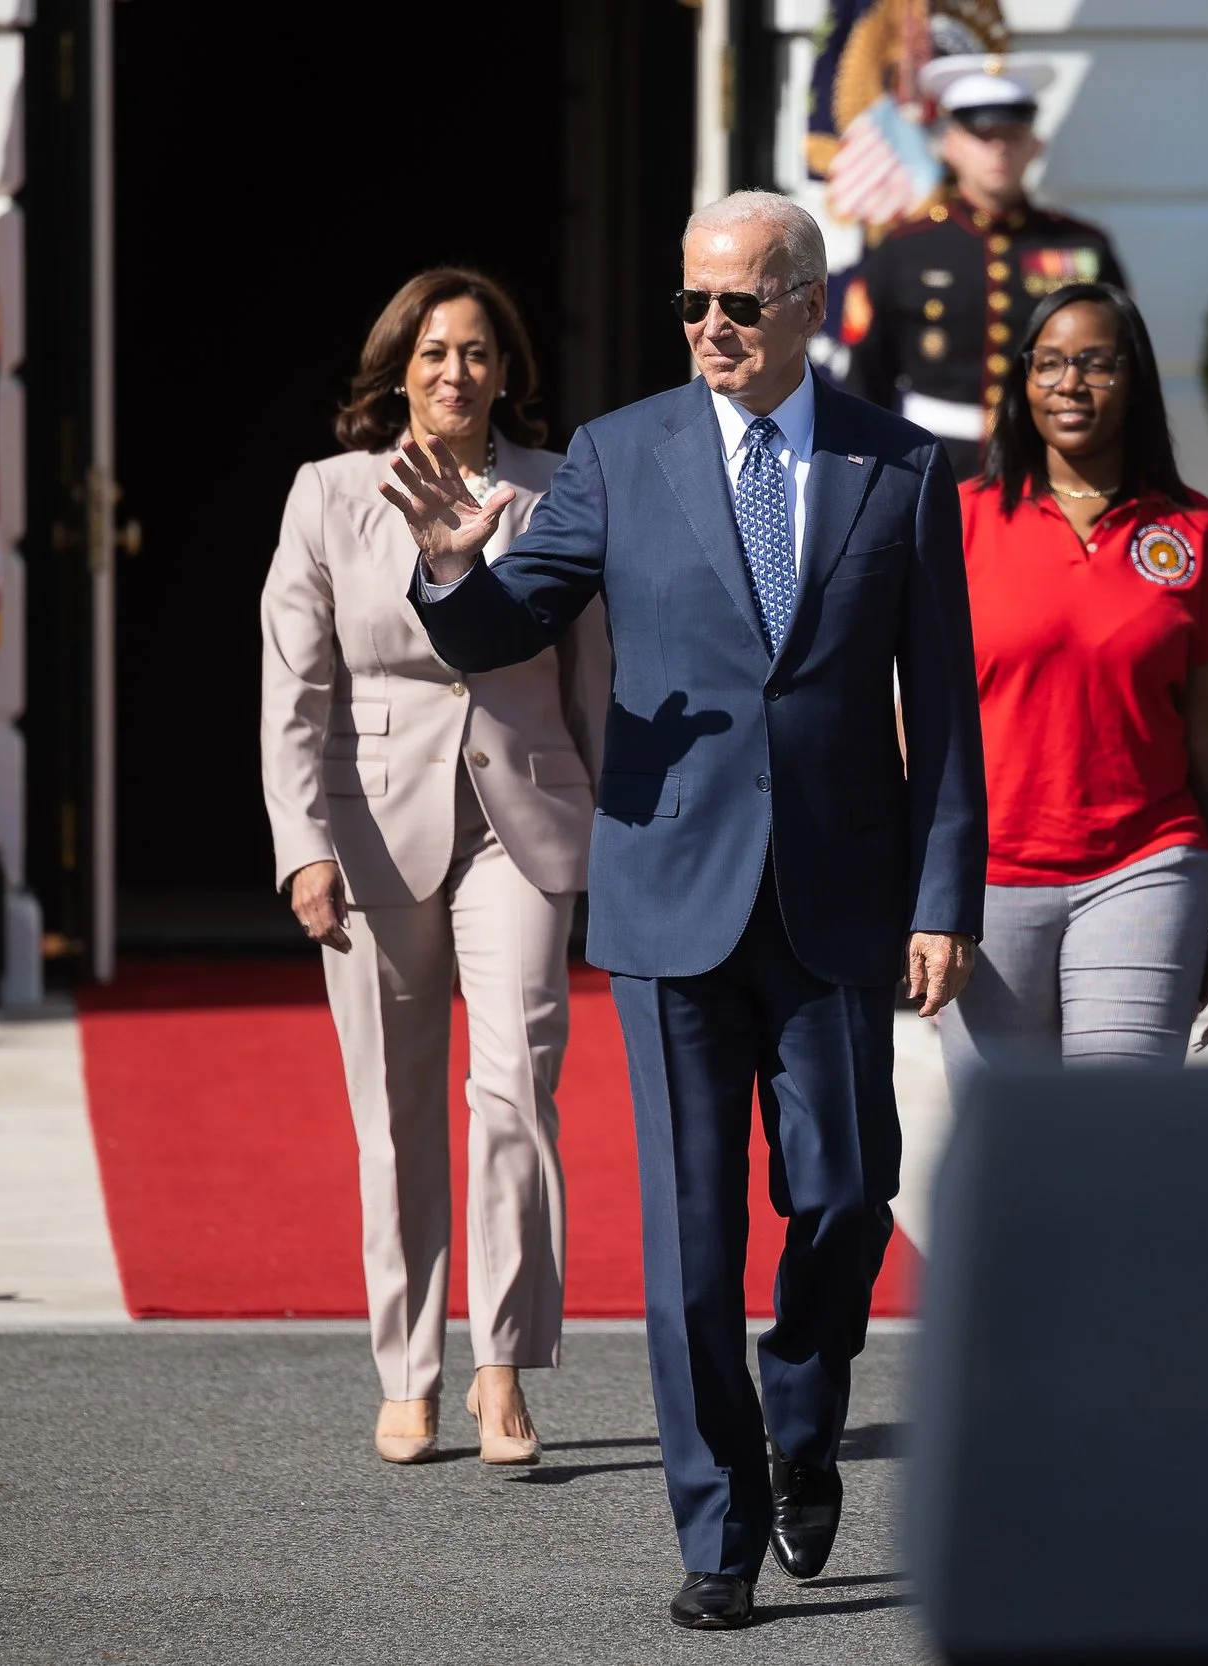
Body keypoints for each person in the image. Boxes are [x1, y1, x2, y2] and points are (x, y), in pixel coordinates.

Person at [383, 191, 985, 1630]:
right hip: (668, 890)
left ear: (806, 308)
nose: (709, 327)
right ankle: (717, 1530)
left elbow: (946, 710)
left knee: (844, 1199)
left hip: (840, 896)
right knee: (693, 1235)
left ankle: (804, 1413)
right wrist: (455, 568)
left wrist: (941, 893)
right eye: (691, 304)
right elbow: (507, 621)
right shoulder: (619, 452)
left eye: (738, 303)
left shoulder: (898, 466)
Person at [260, 269, 607, 1469]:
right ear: (397, 369)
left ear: (507, 370)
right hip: (369, 829)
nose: (455, 372)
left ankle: (501, 1363)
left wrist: (623, 831)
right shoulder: (328, 496)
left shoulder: (559, 488)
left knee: (517, 1080)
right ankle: (407, 1367)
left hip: (524, 816)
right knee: (397, 1118)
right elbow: (294, 690)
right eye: (432, 352)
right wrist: (300, 844)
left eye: (477, 352)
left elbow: (593, 676)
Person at [939, 282, 1208, 1076]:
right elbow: (914, 718)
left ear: (1135, 378)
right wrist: (919, 891)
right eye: (1047, 364)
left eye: (1094, 363)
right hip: (986, 880)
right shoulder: (958, 520)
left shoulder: (1195, 531)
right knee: (1008, 1162)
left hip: (1145, 863)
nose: (1068, 384)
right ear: (1022, 382)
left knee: (1118, 1142)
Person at [839, 53, 1127, 478]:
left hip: (1053, 467)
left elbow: (1119, 367)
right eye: (982, 134)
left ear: (1035, 145)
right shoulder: (904, 249)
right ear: (950, 145)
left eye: (1012, 134)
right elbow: (866, 380)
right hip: (932, 467)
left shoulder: (1084, 246)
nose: (999, 150)